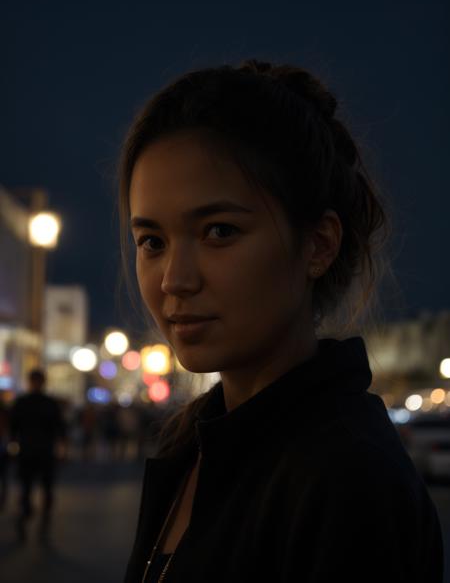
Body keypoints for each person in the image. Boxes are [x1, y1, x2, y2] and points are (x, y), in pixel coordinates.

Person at [118, 59, 444, 582]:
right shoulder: (192, 444)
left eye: (219, 231)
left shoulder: (350, 481)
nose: (174, 279)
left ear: (318, 245)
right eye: (152, 242)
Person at [9, 367, 66, 542]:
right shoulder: (49, 403)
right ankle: (40, 520)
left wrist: (13, 446)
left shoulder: (22, 402)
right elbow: (60, 428)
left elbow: (13, 428)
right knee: (44, 488)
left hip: (30, 451)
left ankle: (29, 516)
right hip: (43, 451)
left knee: (29, 487)